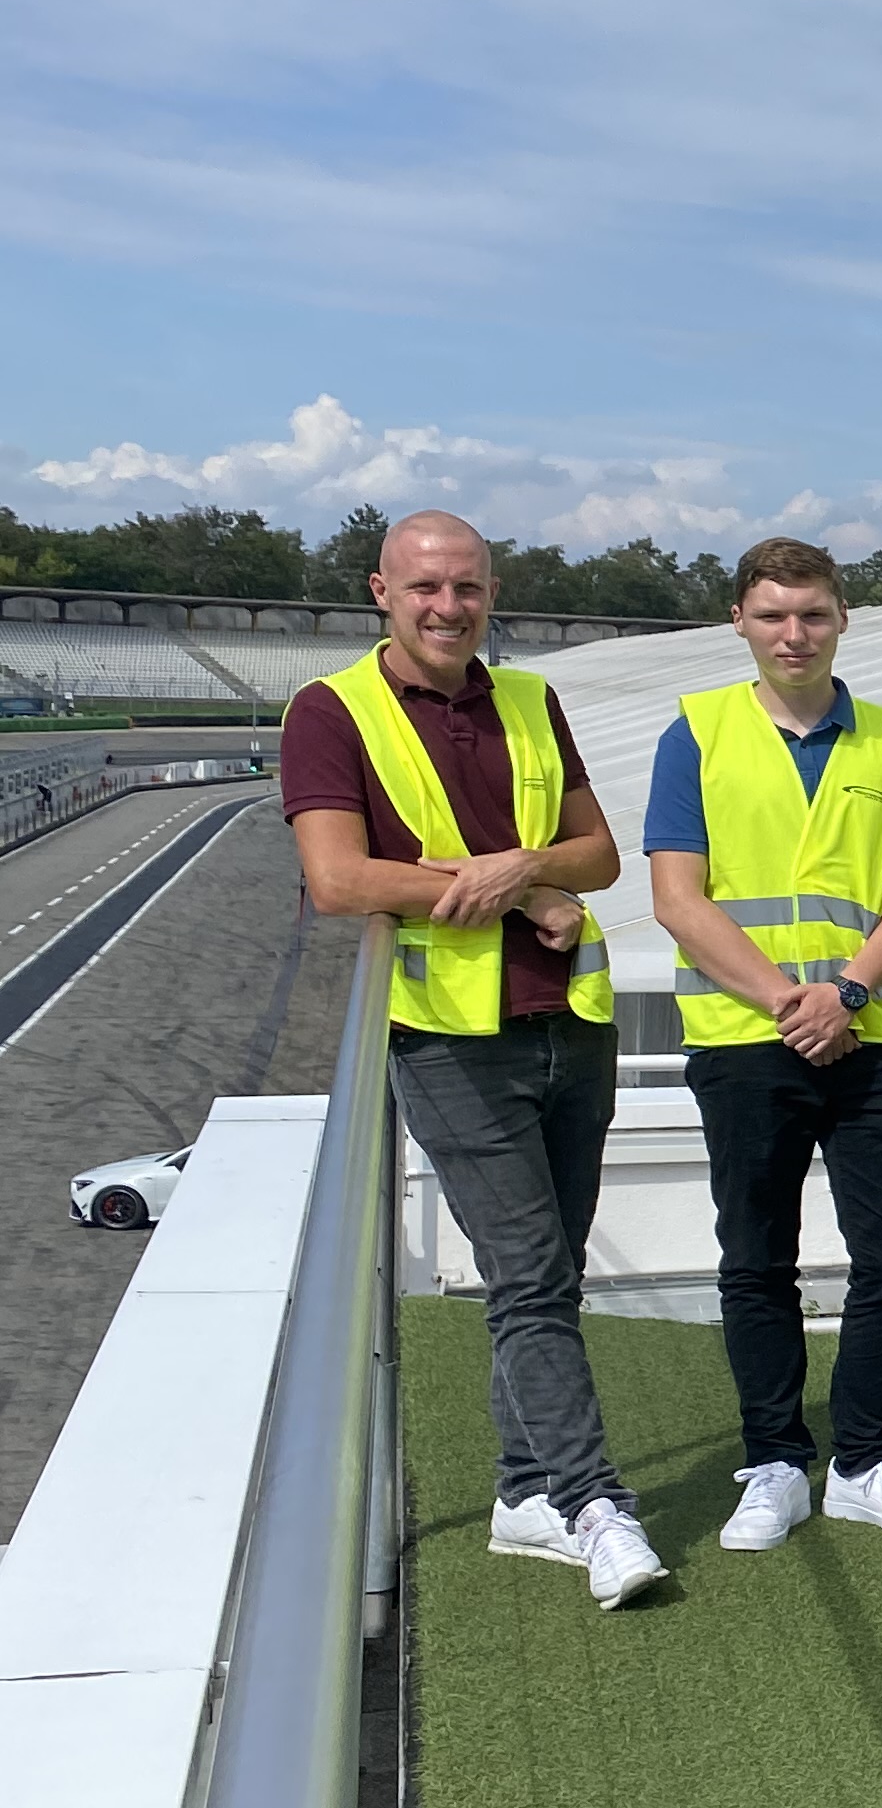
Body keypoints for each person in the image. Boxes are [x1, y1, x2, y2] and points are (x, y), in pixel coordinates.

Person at [282, 509, 648, 1606]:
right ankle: (591, 1503)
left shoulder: (531, 698)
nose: (449, 607)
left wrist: (525, 867)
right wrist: (512, 889)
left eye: (469, 587)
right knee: (530, 1276)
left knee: (550, 1274)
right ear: (381, 592)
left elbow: (600, 855)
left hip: (568, 1023)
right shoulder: (330, 710)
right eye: (426, 588)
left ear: (492, 592)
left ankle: (523, 1492)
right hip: (448, 1039)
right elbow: (337, 879)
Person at [645, 536, 882, 1548]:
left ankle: (864, 1461)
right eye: (774, 614)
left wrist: (848, 994)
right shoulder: (696, 733)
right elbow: (678, 899)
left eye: (813, 614)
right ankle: (775, 1461)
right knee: (756, 1259)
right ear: (739, 619)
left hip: (878, 1033)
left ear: (842, 620)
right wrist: (794, 1001)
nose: (794, 634)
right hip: (747, 1037)